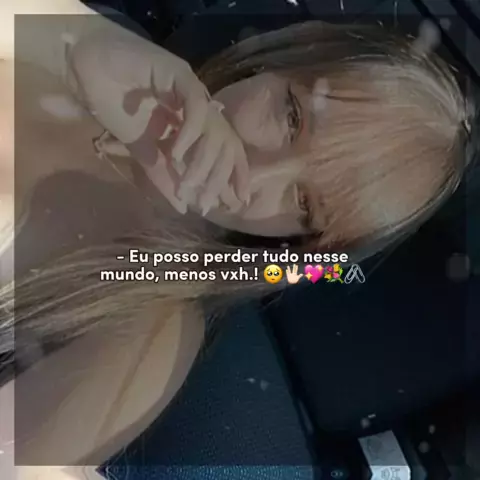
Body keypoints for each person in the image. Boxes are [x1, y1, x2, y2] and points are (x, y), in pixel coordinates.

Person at [0, 0, 475, 478]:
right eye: (291, 117)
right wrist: (76, 43)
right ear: (274, 60)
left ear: (302, 243)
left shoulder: (149, 322)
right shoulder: (108, 59)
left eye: (303, 202)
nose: (257, 169)